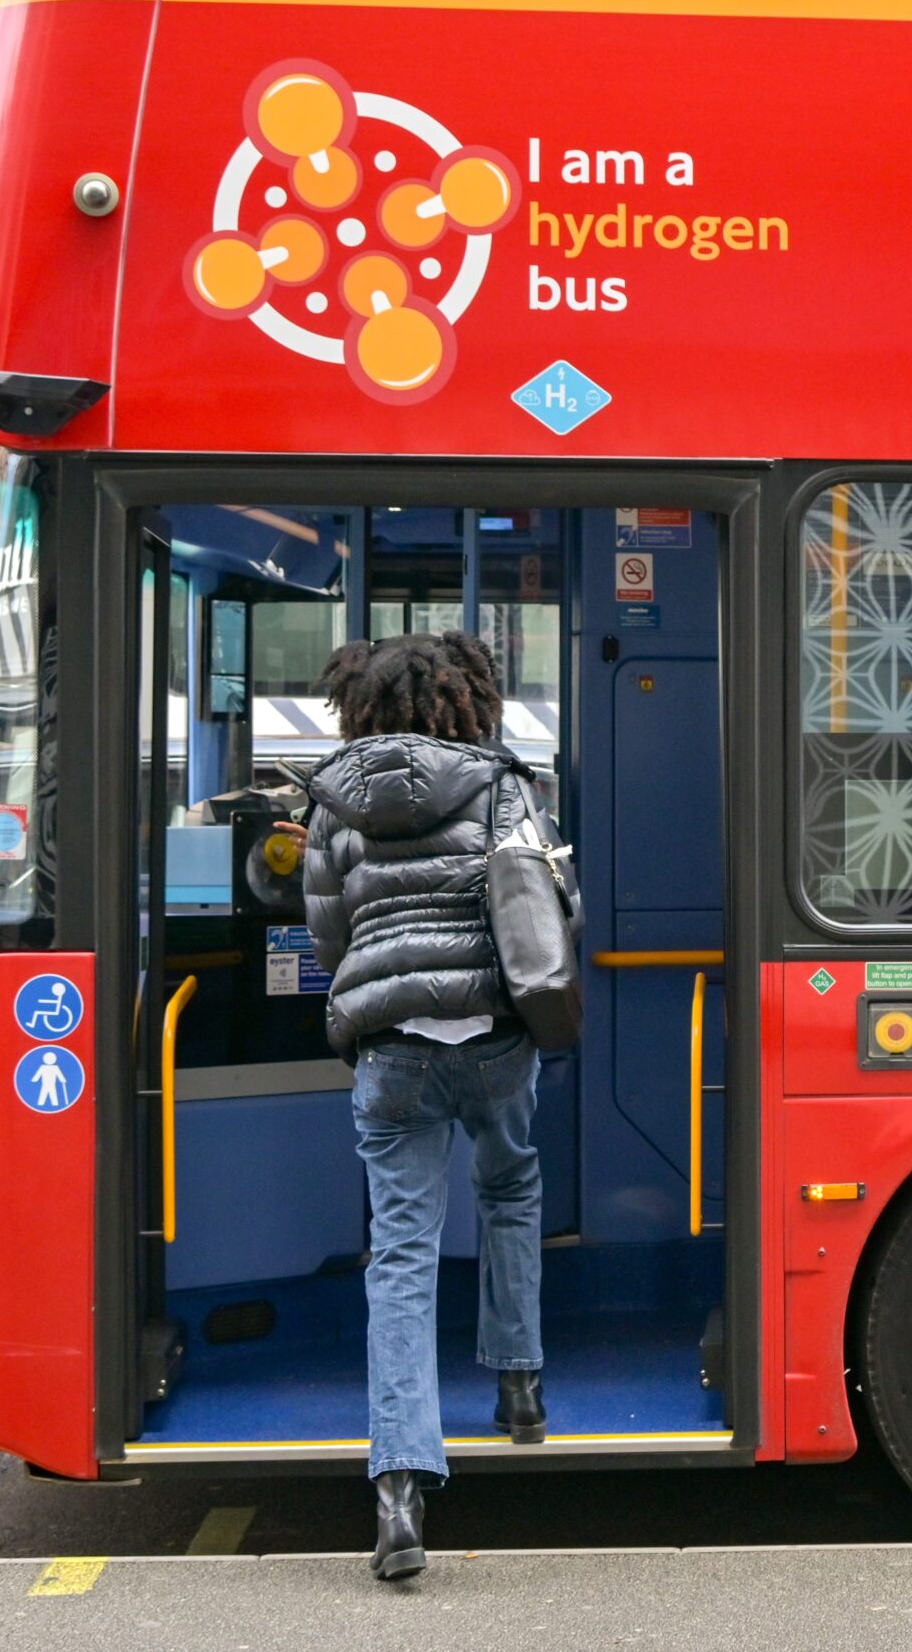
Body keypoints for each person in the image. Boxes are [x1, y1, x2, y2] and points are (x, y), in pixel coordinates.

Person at [302, 630, 555, 1583]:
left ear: (360, 706)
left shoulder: (331, 802)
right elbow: (542, 907)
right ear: (466, 699)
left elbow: (328, 936)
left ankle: (400, 1492)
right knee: (511, 1188)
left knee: (402, 1257)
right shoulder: (501, 786)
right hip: (492, 1035)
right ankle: (521, 1385)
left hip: (392, 1048)